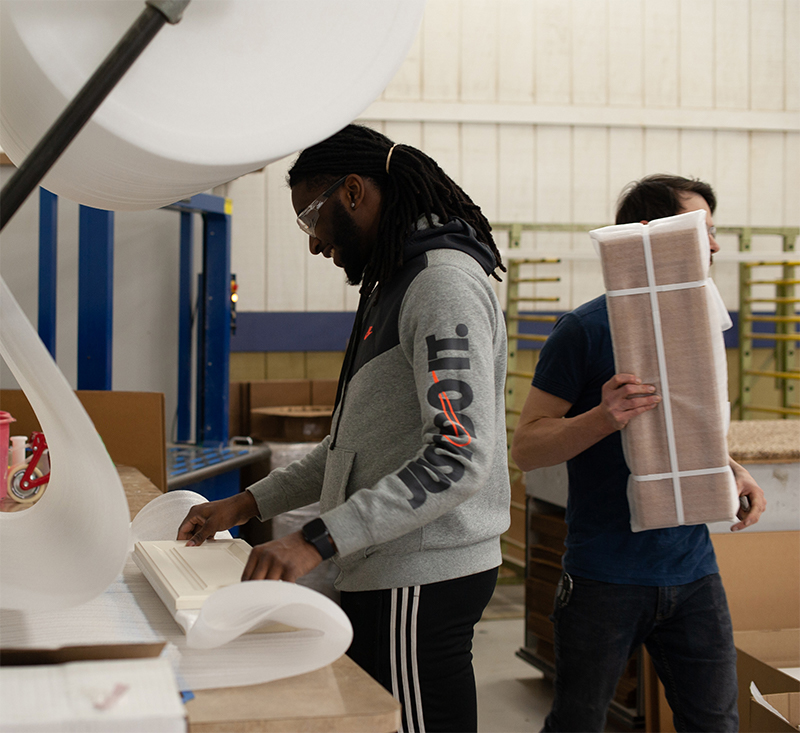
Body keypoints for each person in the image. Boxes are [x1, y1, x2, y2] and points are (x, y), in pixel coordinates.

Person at [177, 124, 511, 733]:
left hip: (420, 571)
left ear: (353, 192)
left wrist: (315, 540)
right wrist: (247, 503)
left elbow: (458, 456)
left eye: (311, 216)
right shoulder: (396, 281)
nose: (313, 243)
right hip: (389, 563)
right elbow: (346, 449)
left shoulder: (441, 283)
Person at [511, 174, 766, 732]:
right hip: (605, 576)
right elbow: (526, 447)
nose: (714, 245)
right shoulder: (583, 330)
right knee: (578, 723)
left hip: (693, 571)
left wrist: (732, 470)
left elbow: (682, 428)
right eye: (702, 230)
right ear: (653, 235)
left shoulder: (700, 321)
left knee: (715, 725)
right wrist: (604, 416)